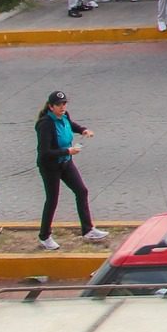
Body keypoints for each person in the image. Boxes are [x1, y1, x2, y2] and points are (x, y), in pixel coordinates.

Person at [34, 90, 107, 250]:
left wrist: (83, 130)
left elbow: (71, 124)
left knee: (81, 191)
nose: (62, 107)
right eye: (59, 105)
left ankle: (88, 230)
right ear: (51, 106)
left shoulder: (64, 116)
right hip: (50, 166)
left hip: (65, 163)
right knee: (52, 200)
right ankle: (44, 237)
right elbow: (45, 153)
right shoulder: (45, 124)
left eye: (64, 103)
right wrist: (67, 151)